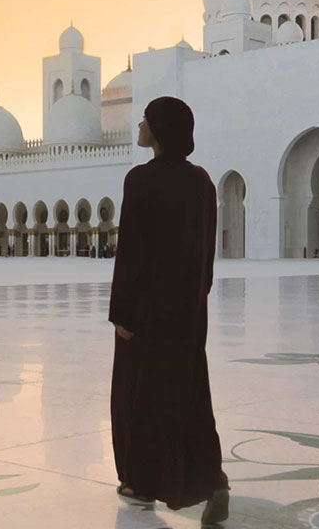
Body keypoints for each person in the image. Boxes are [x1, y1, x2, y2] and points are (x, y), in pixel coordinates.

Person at [109, 96, 228, 523]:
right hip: (189, 312)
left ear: (158, 130)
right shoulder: (203, 183)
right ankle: (213, 479)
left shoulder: (140, 180)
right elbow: (207, 253)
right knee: (190, 395)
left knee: (139, 399)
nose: (139, 125)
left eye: (146, 120)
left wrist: (122, 313)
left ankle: (140, 480)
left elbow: (132, 253)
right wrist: (197, 297)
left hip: (145, 315)